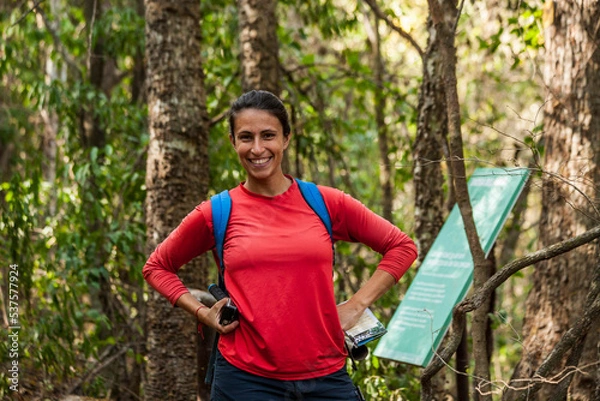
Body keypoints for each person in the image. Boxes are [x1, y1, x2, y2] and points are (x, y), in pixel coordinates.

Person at [143, 90, 418, 400]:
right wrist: (202, 314)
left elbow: (402, 247)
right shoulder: (217, 212)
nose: (257, 148)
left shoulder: (326, 203)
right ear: (233, 142)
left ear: (286, 138)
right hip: (245, 381)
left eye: (268, 135)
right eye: (246, 137)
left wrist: (356, 305)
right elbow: (156, 267)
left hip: (326, 376)